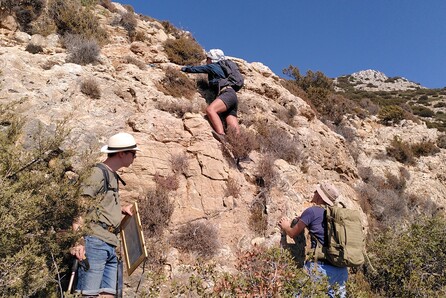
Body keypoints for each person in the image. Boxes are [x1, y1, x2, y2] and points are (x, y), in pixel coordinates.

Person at [70, 132, 140, 297]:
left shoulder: (112, 175)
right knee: (89, 294)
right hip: (95, 242)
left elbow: (100, 203)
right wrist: (78, 241)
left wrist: (121, 209)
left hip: (109, 243)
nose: (135, 157)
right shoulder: (97, 173)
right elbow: (80, 207)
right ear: (122, 153)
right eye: (133, 153)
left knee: (108, 294)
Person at [278, 182, 348, 298]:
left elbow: (292, 233)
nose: (314, 193)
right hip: (341, 270)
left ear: (320, 196)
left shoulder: (312, 211)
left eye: (316, 191)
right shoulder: (336, 214)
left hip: (321, 268)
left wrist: (285, 226)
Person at [181, 49, 240, 140]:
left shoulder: (213, 66)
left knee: (210, 110)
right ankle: (238, 143)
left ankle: (221, 135)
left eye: (207, 58)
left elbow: (196, 69)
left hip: (226, 94)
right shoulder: (224, 68)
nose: (206, 60)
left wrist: (183, 68)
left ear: (211, 59)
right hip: (232, 96)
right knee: (230, 117)